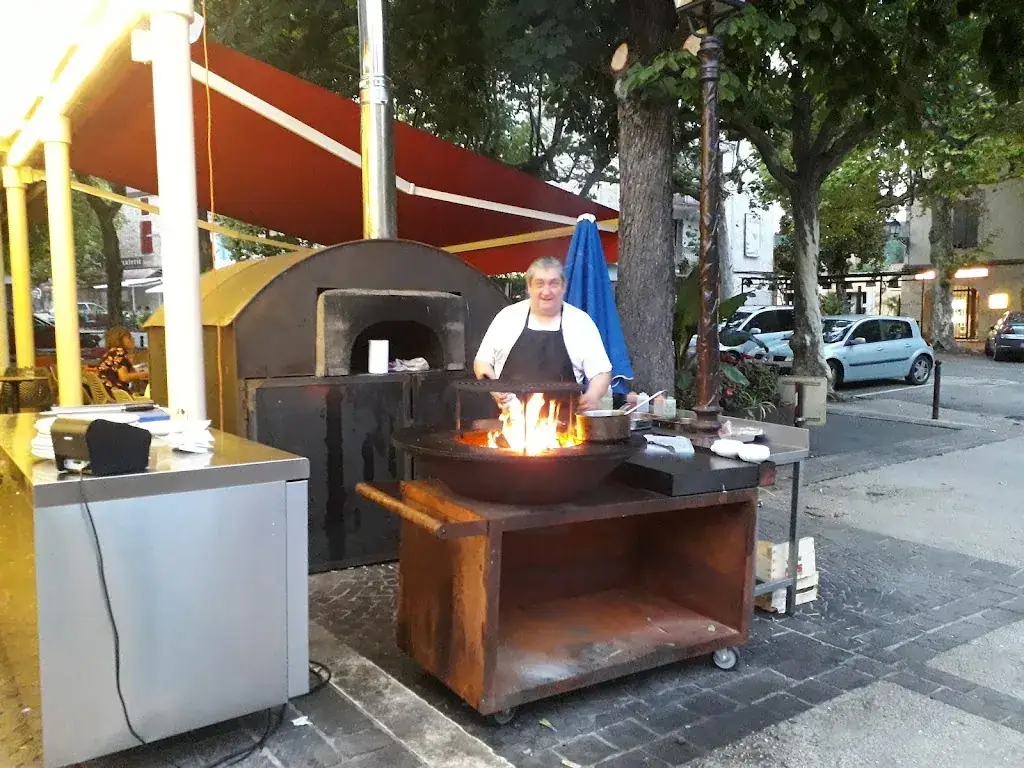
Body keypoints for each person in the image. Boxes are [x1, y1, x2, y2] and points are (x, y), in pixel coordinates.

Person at [474, 256, 612, 412]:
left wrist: (593, 395)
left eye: (554, 284)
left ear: (564, 286)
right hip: (509, 423)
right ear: (529, 287)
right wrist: (495, 388)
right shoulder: (507, 317)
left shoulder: (581, 322)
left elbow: (601, 372)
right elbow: (482, 363)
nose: (547, 292)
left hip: (565, 429)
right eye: (540, 284)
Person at [96, 326, 148, 396]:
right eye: (129, 337)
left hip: (106, 392)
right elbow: (124, 377)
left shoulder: (110, 353)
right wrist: (146, 374)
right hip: (117, 394)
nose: (133, 339)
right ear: (119, 340)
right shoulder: (120, 353)